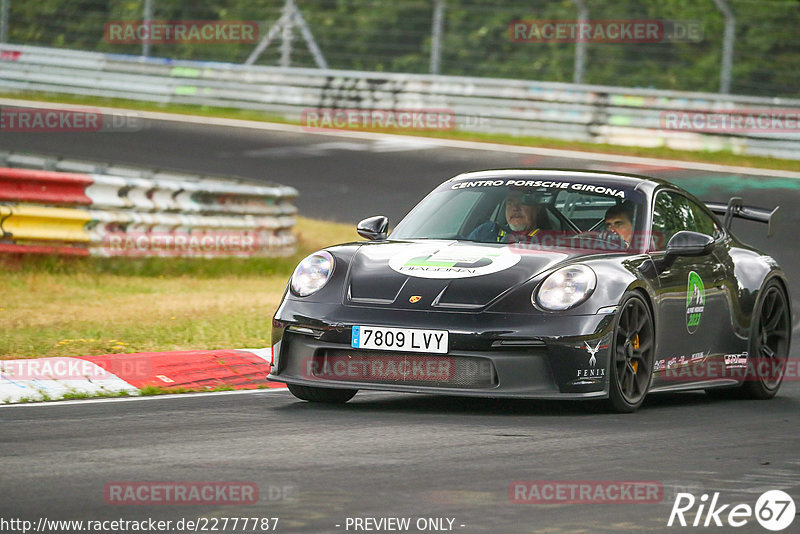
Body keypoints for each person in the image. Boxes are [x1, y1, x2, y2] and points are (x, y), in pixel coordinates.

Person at [468, 191, 541, 243]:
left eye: (522, 202)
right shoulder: (486, 231)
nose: (515, 208)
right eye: (510, 203)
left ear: (537, 208)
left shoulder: (548, 239)